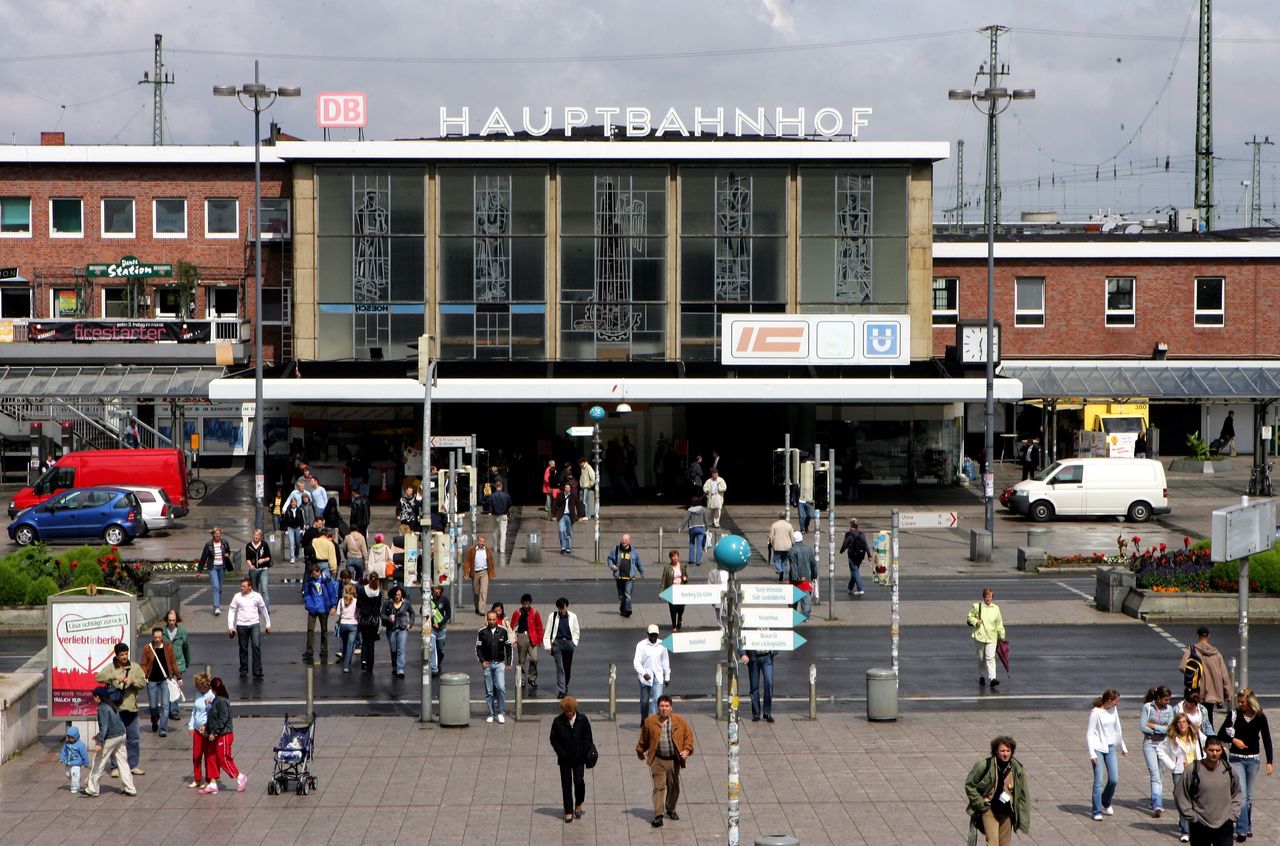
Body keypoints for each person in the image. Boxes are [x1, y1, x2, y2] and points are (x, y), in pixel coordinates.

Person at [1219, 687, 1273, 841]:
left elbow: (1267, 739)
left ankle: (1247, 824)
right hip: (1236, 758)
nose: (1240, 704)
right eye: (1239, 701)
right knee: (1241, 795)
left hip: (1253, 759)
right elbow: (1221, 733)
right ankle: (1242, 830)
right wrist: (1233, 740)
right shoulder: (1234, 714)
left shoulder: (1260, 716)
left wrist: (1270, 761)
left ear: (1250, 702)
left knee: (1249, 797)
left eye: (1243, 702)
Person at [635, 694, 695, 828]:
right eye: (661, 706)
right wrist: (640, 751)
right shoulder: (650, 722)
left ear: (671, 708)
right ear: (657, 707)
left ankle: (670, 808)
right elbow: (643, 739)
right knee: (659, 787)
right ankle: (658, 815)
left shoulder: (679, 721)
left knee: (674, 788)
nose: (664, 709)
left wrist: (686, 750)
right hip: (658, 760)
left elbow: (688, 737)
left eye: (666, 706)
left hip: (674, 760)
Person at [963, 735, 1031, 846]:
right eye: (1002, 750)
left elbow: (1023, 795)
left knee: (1005, 844)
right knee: (992, 843)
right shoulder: (985, 765)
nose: (1005, 754)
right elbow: (969, 785)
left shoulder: (1017, 769)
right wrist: (980, 803)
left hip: (1007, 811)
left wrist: (1023, 818)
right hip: (989, 809)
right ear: (996, 751)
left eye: (1008, 750)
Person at [1174, 736, 1242, 845]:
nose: (1214, 753)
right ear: (1205, 749)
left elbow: (1237, 793)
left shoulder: (1230, 770)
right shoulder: (1193, 770)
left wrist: (1233, 815)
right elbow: (1180, 794)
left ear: (1222, 750)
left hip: (1224, 824)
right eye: (1211, 750)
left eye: (1218, 750)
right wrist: (1192, 817)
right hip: (1200, 825)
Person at [95, 641, 145, 777]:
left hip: (131, 709)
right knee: (116, 738)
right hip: (116, 709)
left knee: (134, 737)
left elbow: (143, 683)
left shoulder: (135, 667)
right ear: (116, 655)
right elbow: (98, 677)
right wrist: (114, 676)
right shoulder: (111, 667)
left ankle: (133, 765)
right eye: (121, 654)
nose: (124, 656)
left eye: (126, 653)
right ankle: (115, 766)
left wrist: (132, 681)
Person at [1159, 711, 1205, 842]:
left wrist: (1204, 760)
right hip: (1180, 771)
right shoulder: (1172, 737)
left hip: (1196, 770)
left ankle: (1196, 827)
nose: (1182, 724)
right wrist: (1171, 765)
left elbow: (1207, 743)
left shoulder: (1196, 735)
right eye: (1179, 722)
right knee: (1183, 800)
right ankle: (1185, 830)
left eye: (1184, 722)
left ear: (1189, 724)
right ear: (1176, 725)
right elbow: (1160, 750)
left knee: (1197, 799)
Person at [83, 686, 136, 797]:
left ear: (98, 697)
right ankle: (129, 788)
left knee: (98, 761)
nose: (93, 699)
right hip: (121, 734)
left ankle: (93, 788)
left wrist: (99, 742)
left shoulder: (102, 708)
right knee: (122, 761)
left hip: (111, 737)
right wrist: (99, 736)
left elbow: (105, 727)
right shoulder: (111, 706)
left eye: (94, 697)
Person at [550, 694, 594, 824]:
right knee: (566, 784)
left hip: (579, 758)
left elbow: (588, 738)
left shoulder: (582, 720)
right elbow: (554, 740)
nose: (569, 714)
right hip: (565, 759)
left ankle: (579, 802)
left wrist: (583, 750)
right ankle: (568, 810)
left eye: (571, 711)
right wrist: (561, 753)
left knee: (579, 782)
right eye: (566, 711)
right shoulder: (558, 722)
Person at [1087, 688, 1129, 820]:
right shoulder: (1095, 713)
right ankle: (1096, 810)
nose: (1117, 704)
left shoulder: (1113, 710)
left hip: (1110, 747)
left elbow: (1118, 728)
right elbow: (1089, 733)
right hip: (1098, 748)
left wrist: (1123, 745)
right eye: (1116, 701)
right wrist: (1092, 754)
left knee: (1113, 779)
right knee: (1098, 781)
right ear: (1109, 700)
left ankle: (1106, 801)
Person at [200, 677, 247, 794]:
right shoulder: (216, 700)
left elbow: (223, 718)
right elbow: (213, 718)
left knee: (223, 758)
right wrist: (206, 726)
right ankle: (212, 783)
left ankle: (240, 777)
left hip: (224, 734)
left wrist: (214, 733)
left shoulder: (221, 701)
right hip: (216, 734)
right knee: (211, 757)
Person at [1182, 626, 1234, 724]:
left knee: (1195, 716)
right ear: (1209, 636)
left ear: (1197, 635)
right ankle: (1209, 737)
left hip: (1196, 689)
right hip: (1212, 691)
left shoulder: (1192, 650)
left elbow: (1182, 666)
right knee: (1209, 717)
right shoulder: (1216, 653)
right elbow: (1224, 675)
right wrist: (1228, 693)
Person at [1141, 685, 1177, 818]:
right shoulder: (1147, 707)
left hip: (1164, 744)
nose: (1168, 702)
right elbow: (1143, 727)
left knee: (1160, 774)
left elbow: (1170, 729)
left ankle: (1155, 798)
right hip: (1149, 743)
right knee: (1154, 774)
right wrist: (1162, 728)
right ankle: (1157, 805)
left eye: (1169, 700)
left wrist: (1154, 726)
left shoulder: (1169, 709)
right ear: (1158, 698)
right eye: (1166, 700)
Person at [140, 626, 180, 737]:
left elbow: (173, 663)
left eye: (159, 637)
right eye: (155, 637)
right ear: (152, 637)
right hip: (152, 680)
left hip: (165, 679)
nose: (157, 639)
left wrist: (179, 676)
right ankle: (154, 720)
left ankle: (163, 729)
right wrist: (144, 675)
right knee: (153, 706)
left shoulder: (168, 646)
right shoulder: (148, 648)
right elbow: (143, 663)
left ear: (162, 636)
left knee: (165, 705)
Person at [228, 577, 271, 679]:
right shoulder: (237, 596)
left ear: (250, 587)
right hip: (241, 625)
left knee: (256, 646)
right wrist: (231, 626)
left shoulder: (257, 596)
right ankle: (243, 669)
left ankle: (257, 670)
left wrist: (268, 623)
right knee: (243, 648)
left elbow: (263, 609)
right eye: (241, 586)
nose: (241, 588)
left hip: (254, 624)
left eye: (244, 586)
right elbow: (232, 611)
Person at [476, 610, 513, 724]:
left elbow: (508, 646)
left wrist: (508, 662)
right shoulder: (482, 632)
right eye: (489, 619)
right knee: (490, 691)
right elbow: (478, 648)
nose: (491, 621)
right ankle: (491, 713)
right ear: (487, 620)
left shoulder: (503, 631)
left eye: (493, 619)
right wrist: (482, 661)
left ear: (497, 619)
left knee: (501, 687)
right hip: (487, 664)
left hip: (499, 663)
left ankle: (501, 712)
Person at [968, 588, 1006, 688]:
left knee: (990, 657)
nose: (988, 598)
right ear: (983, 597)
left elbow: (999, 623)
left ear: (992, 597)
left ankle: (992, 678)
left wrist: (1002, 635)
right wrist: (976, 622)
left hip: (992, 637)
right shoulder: (977, 606)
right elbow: (969, 617)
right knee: (981, 658)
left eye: (989, 596)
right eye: (986, 596)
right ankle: (981, 675)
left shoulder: (996, 608)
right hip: (980, 637)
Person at [543, 597, 580, 699]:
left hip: (568, 643)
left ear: (567, 606)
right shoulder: (553, 616)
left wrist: (574, 643)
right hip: (557, 643)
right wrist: (548, 645)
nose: (561, 611)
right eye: (560, 608)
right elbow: (548, 631)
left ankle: (565, 685)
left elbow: (576, 630)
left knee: (567, 668)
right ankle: (561, 690)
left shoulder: (573, 616)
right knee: (560, 668)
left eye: (563, 608)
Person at [634, 623, 670, 724]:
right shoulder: (641, 645)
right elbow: (636, 662)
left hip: (658, 677)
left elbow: (665, 662)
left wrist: (667, 676)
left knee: (657, 700)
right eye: (651, 635)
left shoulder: (662, 645)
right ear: (648, 634)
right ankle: (644, 718)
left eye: (655, 635)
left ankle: (655, 722)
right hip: (645, 678)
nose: (653, 637)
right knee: (644, 701)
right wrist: (643, 673)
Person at [302, 562, 338, 664]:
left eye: (314, 574)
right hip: (313, 608)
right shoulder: (310, 581)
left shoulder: (326, 581)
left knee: (324, 629)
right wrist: (309, 604)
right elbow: (307, 594)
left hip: (323, 607)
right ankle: (309, 650)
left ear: (319, 572)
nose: (313, 576)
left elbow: (332, 593)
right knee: (310, 629)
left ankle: (324, 649)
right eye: (312, 574)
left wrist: (333, 605)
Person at [186, 672, 216, 789]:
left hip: (206, 730)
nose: (197, 688)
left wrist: (207, 726)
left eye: (199, 686)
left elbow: (212, 714)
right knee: (196, 755)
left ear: (205, 686)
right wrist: (191, 725)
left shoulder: (211, 696)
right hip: (197, 729)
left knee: (208, 755)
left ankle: (209, 779)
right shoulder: (198, 694)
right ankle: (197, 778)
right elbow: (194, 711)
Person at [509, 594, 544, 693]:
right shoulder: (517, 613)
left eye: (528, 604)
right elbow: (512, 627)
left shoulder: (535, 613)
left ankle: (532, 678)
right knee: (521, 660)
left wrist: (540, 640)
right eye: (524, 604)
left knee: (534, 659)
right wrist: (513, 640)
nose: (526, 606)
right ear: (522, 603)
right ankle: (522, 680)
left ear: (530, 603)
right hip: (521, 636)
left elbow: (539, 626)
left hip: (532, 637)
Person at [380, 585, 415, 679]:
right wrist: (388, 618)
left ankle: (400, 669)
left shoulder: (406, 603)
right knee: (394, 649)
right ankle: (395, 667)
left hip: (403, 628)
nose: (397, 596)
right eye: (396, 595)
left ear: (402, 595)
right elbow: (382, 613)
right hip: (391, 628)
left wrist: (410, 623)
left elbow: (412, 613)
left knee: (401, 650)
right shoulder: (388, 603)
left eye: (399, 595)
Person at [197, 527, 233, 615]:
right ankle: (216, 607)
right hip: (212, 567)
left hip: (222, 566)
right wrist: (199, 570)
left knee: (220, 587)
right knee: (216, 586)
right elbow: (203, 557)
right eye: (215, 533)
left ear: (220, 534)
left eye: (218, 533)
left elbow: (228, 551)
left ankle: (218, 605)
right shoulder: (208, 544)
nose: (217, 535)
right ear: (213, 534)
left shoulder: (224, 542)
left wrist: (227, 554)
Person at [162, 609, 190, 721]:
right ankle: (167, 709)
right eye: (169, 620)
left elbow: (186, 649)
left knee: (174, 686)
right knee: (167, 687)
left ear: (176, 619)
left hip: (178, 664)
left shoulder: (183, 632)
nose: (172, 622)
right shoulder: (162, 632)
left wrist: (187, 663)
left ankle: (173, 711)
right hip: (165, 664)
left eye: (173, 620)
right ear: (167, 620)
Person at [607, 533, 644, 617]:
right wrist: (612, 566)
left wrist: (642, 572)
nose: (624, 541)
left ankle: (628, 609)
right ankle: (623, 607)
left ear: (629, 541)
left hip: (629, 577)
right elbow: (609, 559)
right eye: (623, 540)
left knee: (627, 594)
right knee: (621, 595)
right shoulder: (616, 549)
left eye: (626, 540)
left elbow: (638, 562)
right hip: (619, 576)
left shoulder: (634, 551)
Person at [739, 647, 775, 723]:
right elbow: (740, 637)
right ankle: (756, 714)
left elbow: (780, 636)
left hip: (767, 656)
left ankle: (767, 712)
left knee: (769, 682)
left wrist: (774, 651)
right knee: (754, 686)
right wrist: (742, 654)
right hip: (753, 657)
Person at [787, 530, 817, 620]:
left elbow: (793, 565)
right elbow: (813, 563)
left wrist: (795, 577)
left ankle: (793, 613)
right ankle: (806, 615)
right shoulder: (808, 548)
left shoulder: (792, 550)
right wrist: (814, 574)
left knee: (794, 596)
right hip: (806, 575)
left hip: (795, 578)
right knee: (806, 596)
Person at [357, 573, 383, 673]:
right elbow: (378, 607)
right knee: (371, 643)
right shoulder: (378, 592)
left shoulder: (363, 590)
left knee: (364, 640)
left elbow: (359, 604)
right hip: (374, 621)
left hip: (364, 619)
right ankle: (370, 665)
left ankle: (363, 660)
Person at [464, 534, 496, 615]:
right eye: (480, 541)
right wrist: (466, 573)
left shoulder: (488, 550)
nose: (481, 543)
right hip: (475, 573)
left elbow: (491, 562)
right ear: (478, 541)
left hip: (484, 572)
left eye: (483, 541)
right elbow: (467, 562)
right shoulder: (472, 550)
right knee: (476, 592)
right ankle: (477, 607)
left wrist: (492, 573)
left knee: (483, 591)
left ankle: (482, 609)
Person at [839, 517, 871, 596]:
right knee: (855, 570)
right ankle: (850, 587)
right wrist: (869, 555)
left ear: (851, 525)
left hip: (852, 556)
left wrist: (841, 551)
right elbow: (866, 545)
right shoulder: (861, 534)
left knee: (855, 571)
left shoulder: (849, 534)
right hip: (860, 556)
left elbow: (845, 544)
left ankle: (860, 589)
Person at [660, 550, 688, 632]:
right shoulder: (667, 568)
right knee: (672, 608)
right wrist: (661, 592)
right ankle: (674, 626)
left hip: (681, 590)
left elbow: (686, 576)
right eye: (673, 557)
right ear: (670, 558)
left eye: (676, 556)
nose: (675, 558)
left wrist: (685, 579)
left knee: (681, 608)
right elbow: (663, 580)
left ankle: (679, 618)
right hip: (671, 590)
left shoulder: (682, 566)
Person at [245, 528, 273, 608]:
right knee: (254, 591)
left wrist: (263, 560)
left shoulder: (264, 545)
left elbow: (269, 557)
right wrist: (250, 565)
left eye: (258, 535)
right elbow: (247, 559)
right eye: (255, 535)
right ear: (253, 535)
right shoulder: (249, 546)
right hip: (253, 570)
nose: (257, 537)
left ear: (261, 536)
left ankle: (266, 609)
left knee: (264, 589)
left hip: (263, 569)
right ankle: (255, 608)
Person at [336, 584, 360, 673]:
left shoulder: (341, 600)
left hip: (343, 623)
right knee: (350, 645)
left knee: (345, 644)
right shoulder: (356, 601)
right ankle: (347, 665)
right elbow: (358, 613)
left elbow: (338, 613)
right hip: (353, 624)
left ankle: (344, 660)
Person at [60, 725, 90, 794]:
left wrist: (86, 763)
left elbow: (84, 755)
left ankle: (75, 787)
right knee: (68, 774)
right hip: (68, 763)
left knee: (74, 773)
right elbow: (63, 752)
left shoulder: (80, 745)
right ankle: (76, 779)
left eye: (72, 738)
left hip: (76, 764)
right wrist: (62, 758)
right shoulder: (66, 744)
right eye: (69, 737)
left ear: (76, 736)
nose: (70, 739)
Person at [430, 582, 452, 674]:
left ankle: (438, 662)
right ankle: (434, 668)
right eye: (435, 589)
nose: (437, 591)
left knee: (440, 650)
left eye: (439, 589)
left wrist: (440, 624)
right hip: (431, 628)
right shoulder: (428, 599)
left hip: (441, 628)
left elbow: (448, 614)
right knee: (432, 648)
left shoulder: (444, 600)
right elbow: (422, 611)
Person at [680, 496, 707, 566]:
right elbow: (705, 520)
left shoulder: (690, 510)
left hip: (692, 528)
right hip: (701, 528)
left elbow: (685, 519)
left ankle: (691, 560)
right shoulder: (702, 509)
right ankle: (698, 561)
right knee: (699, 545)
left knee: (691, 543)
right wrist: (707, 528)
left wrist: (681, 528)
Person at [767, 511, 794, 582]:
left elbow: (771, 536)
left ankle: (779, 570)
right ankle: (783, 576)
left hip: (777, 545)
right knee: (784, 561)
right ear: (785, 517)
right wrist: (793, 544)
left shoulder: (774, 525)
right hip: (787, 546)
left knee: (777, 559)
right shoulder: (789, 525)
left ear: (778, 517)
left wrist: (769, 543)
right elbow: (792, 536)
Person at [280, 493, 305, 563]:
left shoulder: (299, 511)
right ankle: (292, 557)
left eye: (294, 502)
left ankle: (296, 554)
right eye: (292, 502)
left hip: (297, 528)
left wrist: (301, 529)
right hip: (290, 528)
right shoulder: (288, 511)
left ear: (296, 503)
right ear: (290, 503)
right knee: (291, 542)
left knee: (297, 542)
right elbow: (285, 521)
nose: (293, 503)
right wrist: (286, 530)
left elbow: (302, 520)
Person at [489, 480, 512, 555]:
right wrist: (509, 515)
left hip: (495, 515)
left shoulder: (492, 495)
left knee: (495, 532)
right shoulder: (506, 495)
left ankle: (495, 547)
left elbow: (490, 505)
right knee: (503, 532)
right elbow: (509, 506)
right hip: (504, 515)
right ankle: (502, 549)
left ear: (495, 486)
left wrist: (491, 512)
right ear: (501, 486)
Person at [557, 483, 575, 552]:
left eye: (568, 488)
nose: (567, 489)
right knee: (561, 530)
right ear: (564, 488)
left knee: (569, 532)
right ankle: (563, 547)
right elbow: (555, 504)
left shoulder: (573, 496)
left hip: (569, 516)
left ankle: (568, 547)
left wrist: (580, 516)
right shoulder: (560, 495)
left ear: (570, 489)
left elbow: (578, 504)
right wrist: (554, 515)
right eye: (566, 488)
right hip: (562, 515)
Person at [578, 457, 596, 522]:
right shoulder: (583, 468)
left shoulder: (588, 467)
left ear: (584, 462)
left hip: (586, 487)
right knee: (584, 501)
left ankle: (587, 515)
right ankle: (586, 515)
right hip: (583, 486)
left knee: (585, 501)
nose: (580, 464)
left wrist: (590, 485)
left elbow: (593, 476)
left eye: (580, 463)